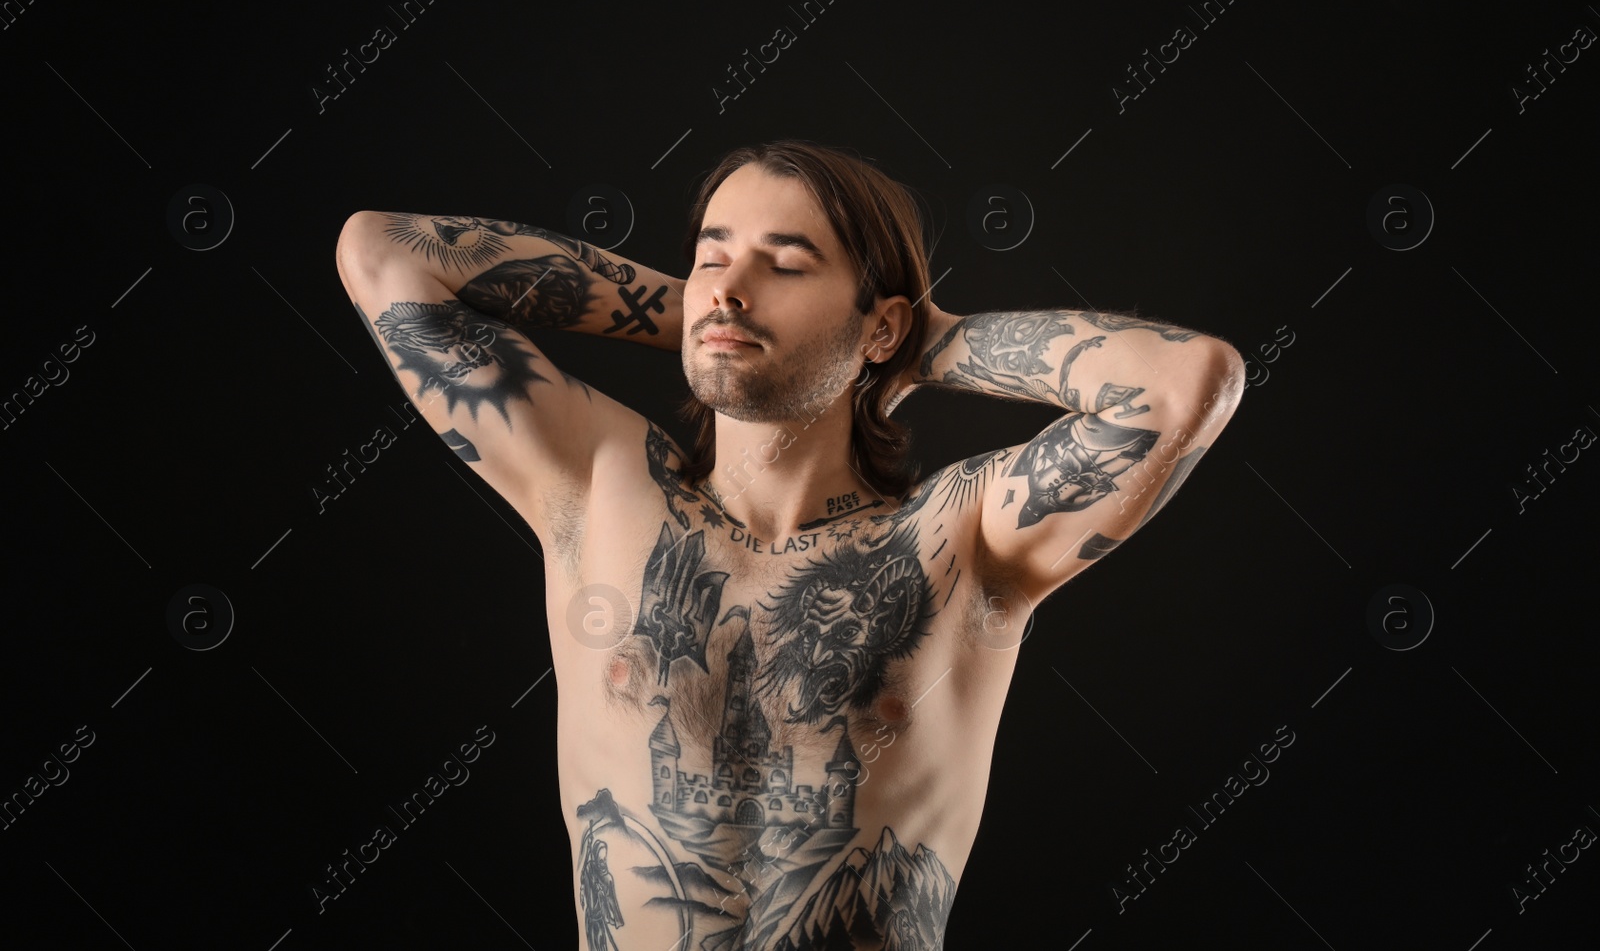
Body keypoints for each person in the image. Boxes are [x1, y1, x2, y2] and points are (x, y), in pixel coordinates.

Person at [335, 139, 1244, 949]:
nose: (732, 282)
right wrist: (704, 319)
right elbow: (385, 253)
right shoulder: (600, 481)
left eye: (786, 264)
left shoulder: (959, 537)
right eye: (712, 255)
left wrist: (923, 341)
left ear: (880, 320)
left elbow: (1182, 381)